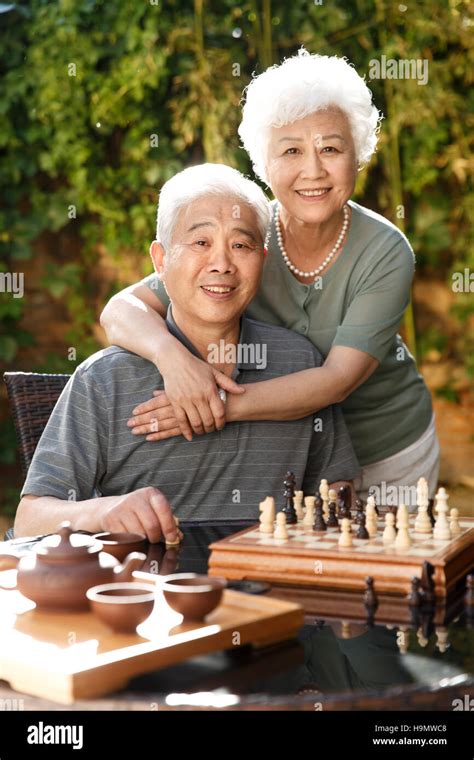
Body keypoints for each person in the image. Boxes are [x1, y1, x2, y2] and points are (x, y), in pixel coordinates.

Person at [100, 51, 439, 508]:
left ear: (357, 155)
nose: (313, 171)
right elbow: (120, 310)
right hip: (291, 454)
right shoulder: (243, 241)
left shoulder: (386, 252)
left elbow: (335, 381)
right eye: (292, 150)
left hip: (388, 451)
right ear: (264, 163)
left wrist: (209, 404)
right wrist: (174, 362)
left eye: (331, 149)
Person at [15, 164, 360, 540]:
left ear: (263, 259)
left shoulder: (299, 362)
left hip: (272, 589)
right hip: (152, 591)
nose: (222, 264)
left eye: (240, 245)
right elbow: (30, 519)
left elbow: (338, 485)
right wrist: (105, 510)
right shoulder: (105, 379)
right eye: (201, 243)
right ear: (160, 261)